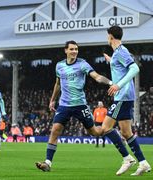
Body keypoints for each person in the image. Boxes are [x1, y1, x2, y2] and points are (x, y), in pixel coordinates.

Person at [36, 40, 113, 172]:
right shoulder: (59, 66)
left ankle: (108, 128)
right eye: (72, 49)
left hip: (80, 105)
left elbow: (97, 77)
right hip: (64, 105)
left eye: (76, 49)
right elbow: (58, 84)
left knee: (95, 132)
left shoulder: (82, 64)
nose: (74, 51)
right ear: (65, 50)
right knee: (55, 130)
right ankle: (48, 163)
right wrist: (52, 100)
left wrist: (111, 82)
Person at [101, 25, 151, 176]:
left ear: (110, 36)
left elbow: (135, 69)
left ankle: (127, 158)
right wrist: (111, 61)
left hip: (122, 96)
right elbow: (122, 69)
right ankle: (143, 163)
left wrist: (118, 85)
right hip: (124, 96)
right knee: (126, 132)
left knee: (105, 128)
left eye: (107, 35)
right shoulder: (118, 53)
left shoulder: (121, 51)